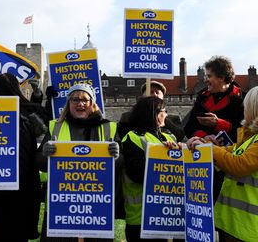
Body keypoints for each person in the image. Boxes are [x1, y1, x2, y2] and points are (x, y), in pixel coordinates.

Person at [39, 83, 120, 242]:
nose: (80, 103)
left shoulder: (108, 128)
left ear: (92, 104)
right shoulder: (56, 127)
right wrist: (44, 153)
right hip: (61, 207)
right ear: (68, 104)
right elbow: (39, 164)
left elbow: (121, 167)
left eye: (85, 100)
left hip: (96, 207)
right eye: (75, 99)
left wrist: (118, 156)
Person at [0, 73, 47, 242]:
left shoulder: (15, 120)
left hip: (6, 198)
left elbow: (18, 164)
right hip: (19, 197)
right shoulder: (28, 114)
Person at [186, 86, 258, 242]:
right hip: (235, 224)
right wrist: (199, 144)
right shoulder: (249, 140)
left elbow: (238, 164)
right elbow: (225, 153)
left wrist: (209, 149)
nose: (243, 110)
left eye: (247, 107)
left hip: (251, 230)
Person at [184, 55, 245, 203]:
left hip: (229, 162)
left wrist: (218, 124)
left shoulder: (241, 99)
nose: (205, 79)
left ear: (222, 77)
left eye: (209, 76)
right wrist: (204, 137)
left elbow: (245, 132)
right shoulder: (202, 97)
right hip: (203, 161)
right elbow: (189, 126)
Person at [121, 96, 177, 242]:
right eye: (164, 111)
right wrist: (165, 157)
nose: (166, 115)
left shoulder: (170, 138)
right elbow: (137, 174)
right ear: (155, 114)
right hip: (140, 217)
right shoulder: (132, 137)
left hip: (167, 215)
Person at [118, 80, 184, 142]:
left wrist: (160, 117)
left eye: (157, 92)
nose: (154, 94)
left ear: (163, 97)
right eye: (151, 92)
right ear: (143, 96)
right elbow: (122, 137)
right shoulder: (127, 116)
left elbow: (180, 137)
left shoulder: (173, 118)